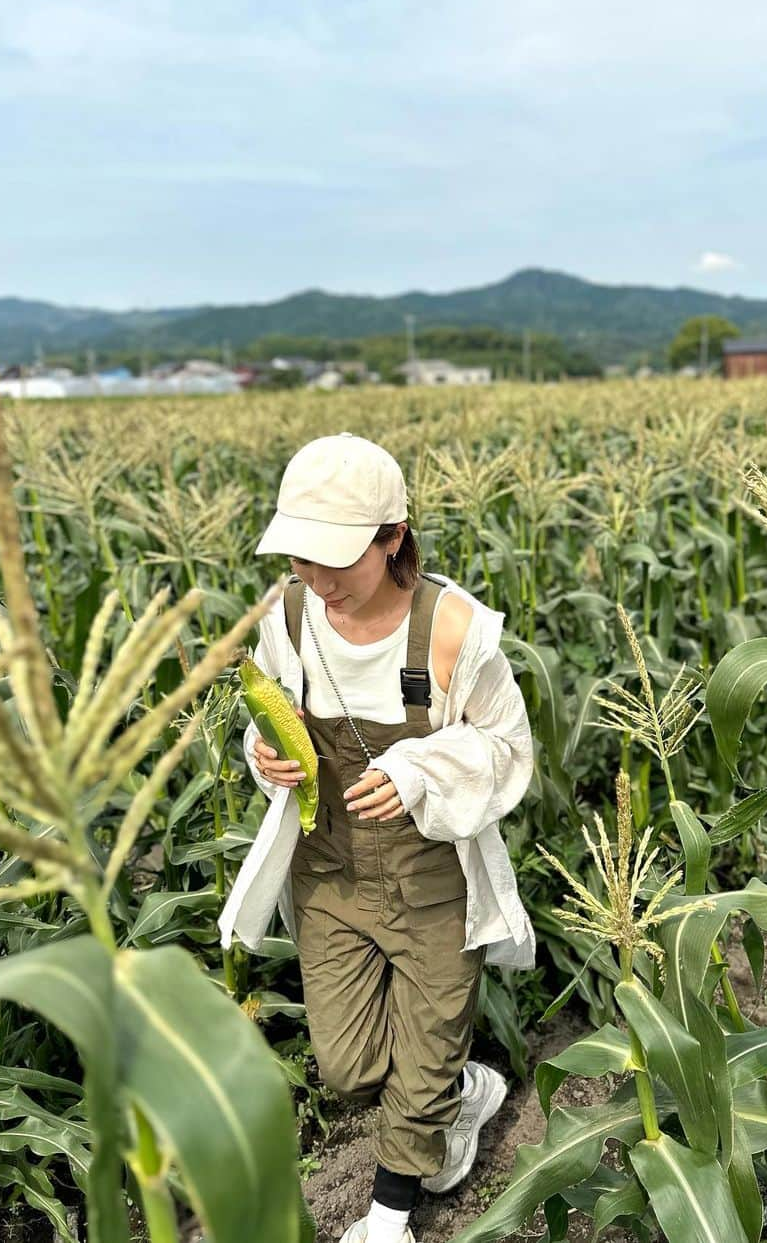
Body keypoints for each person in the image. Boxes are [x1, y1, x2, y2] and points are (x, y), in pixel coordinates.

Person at [217, 432, 536, 1243]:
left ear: (393, 538)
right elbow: (266, 720)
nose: (317, 583)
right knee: (351, 1068)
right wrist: (263, 758)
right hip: (330, 877)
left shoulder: (456, 631)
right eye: (300, 559)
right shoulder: (288, 618)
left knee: (419, 1058)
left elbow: (507, 751)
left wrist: (421, 773)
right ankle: (464, 1093)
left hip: (431, 879)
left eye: (336, 561)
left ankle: (391, 1216)